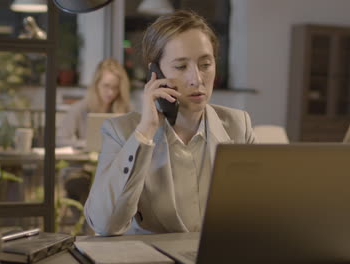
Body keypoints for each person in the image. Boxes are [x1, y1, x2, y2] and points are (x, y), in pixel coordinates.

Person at [84, 10, 255, 236]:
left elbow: (255, 213)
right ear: (156, 72)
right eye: (181, 66)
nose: (197, 79)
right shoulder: (121, 131)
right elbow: (105, 225)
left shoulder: (238, 125)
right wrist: (145, 132)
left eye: (205, 64)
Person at [57, 58, 131, 148]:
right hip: (86, 160)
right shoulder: (80, 108)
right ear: (96, 84)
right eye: (106, 86)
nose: (110, 92)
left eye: (115, 87)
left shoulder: (124, 109)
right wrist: (86, 144)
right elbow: (59, 141)